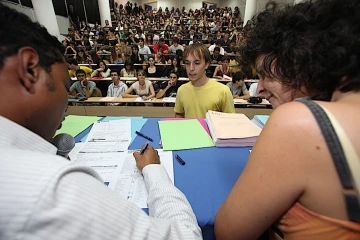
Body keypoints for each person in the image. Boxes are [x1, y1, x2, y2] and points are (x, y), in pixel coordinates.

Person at [0, 4, 202, 240]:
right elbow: (185, 236)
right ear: (30, 69)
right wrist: (153, 169)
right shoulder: (51, 187)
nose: (67, 107)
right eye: (67, 87)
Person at [215, 0, 360, 239]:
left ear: (297, 63)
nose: (259, 89)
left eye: (264, 75)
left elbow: (228, 232)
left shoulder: (299, 122)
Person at [174, 43, 235, 118]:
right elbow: (179, 115)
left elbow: (230, 121)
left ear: (207, 64)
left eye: (197, 63)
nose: (191, 68)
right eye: (187, 63)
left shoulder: (223, 91)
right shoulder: (181, 90)